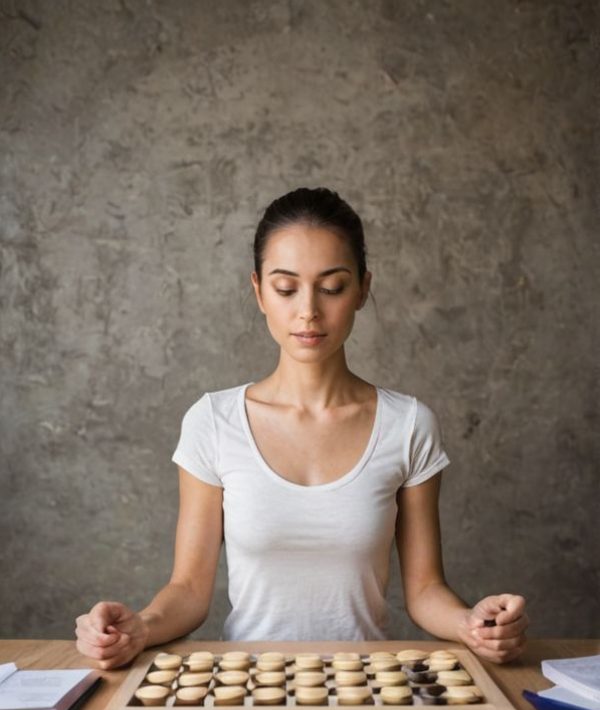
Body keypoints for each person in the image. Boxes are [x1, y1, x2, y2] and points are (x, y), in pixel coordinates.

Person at [75, 186, 529, 670]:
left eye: (332, 287)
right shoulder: (213, 422)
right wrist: (139, 627)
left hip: (368, 687)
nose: (308, 310)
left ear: (362, 289)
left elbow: (424, 589)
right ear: (258, 291)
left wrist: (470, 624)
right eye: (286, 288)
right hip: (248, 687)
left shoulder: (408, 425)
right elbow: (188, 589)